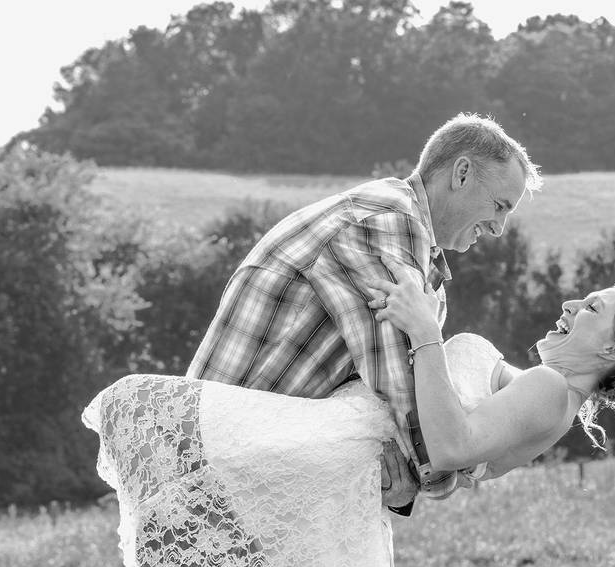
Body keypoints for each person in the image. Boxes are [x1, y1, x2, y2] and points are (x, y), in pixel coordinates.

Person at [82, 270, 615, 567]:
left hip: (336, 448)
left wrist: (426, 330)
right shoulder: (548, 400)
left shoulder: (552, 389)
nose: (569, 305)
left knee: (159, 420)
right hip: (345, 476)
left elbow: (450, 448)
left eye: (591, 309)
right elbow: (446, 473)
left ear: (612, 353)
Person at [185, 113, 541, 511]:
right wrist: (439, 476)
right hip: (214, 476)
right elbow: (398, 380)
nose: (499, 229)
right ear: (461, 173)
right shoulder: (386, 224)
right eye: (499, 206)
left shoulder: (401, 229)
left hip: (238, 467)